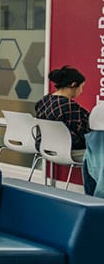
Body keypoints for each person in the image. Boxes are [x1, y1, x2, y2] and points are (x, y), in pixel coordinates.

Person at [35, 65, 93, 194]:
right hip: (68, 151)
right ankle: (96, 195)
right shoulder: (70, 106)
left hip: (46, 148)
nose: (82, 91)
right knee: (98, 152)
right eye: (81, 87)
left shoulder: (43, 101)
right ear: (73, 85)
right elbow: (87, 131)